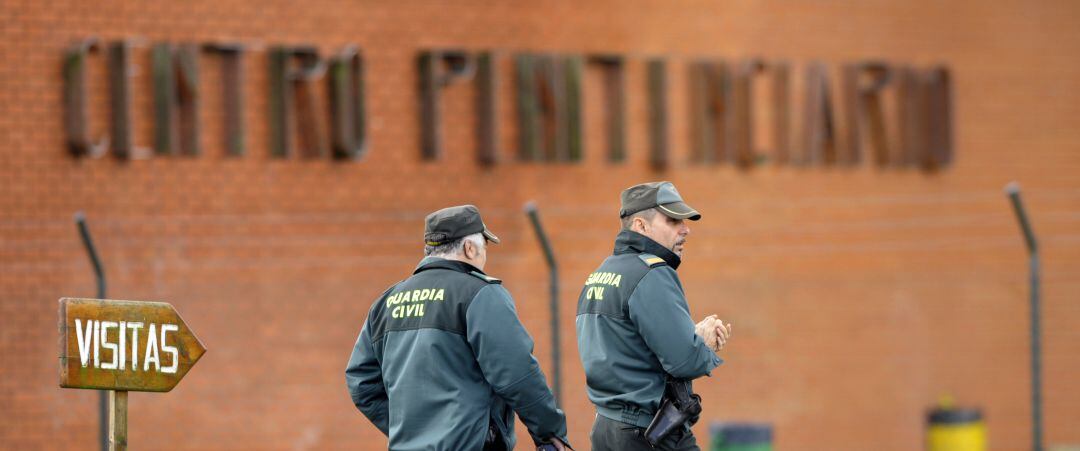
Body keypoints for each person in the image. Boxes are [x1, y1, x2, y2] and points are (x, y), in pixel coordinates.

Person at [346, 205, 570, 451]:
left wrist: (411, 431)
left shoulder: (387, 301)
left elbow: (361, 381)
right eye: (484, 247)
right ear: (469, 248)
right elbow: (517, 372)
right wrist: (550, 433)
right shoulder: (480, 294)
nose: (485, 255)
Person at [576, 181, 732, 451]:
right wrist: (702, 342)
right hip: (651, 433)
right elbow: (685, 360)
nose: (685, 229)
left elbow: (631, 348)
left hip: (607, 431)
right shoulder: (653, 273)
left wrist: (688, 336)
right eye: (673, 221)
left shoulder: (600, 273)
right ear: (640, 226)